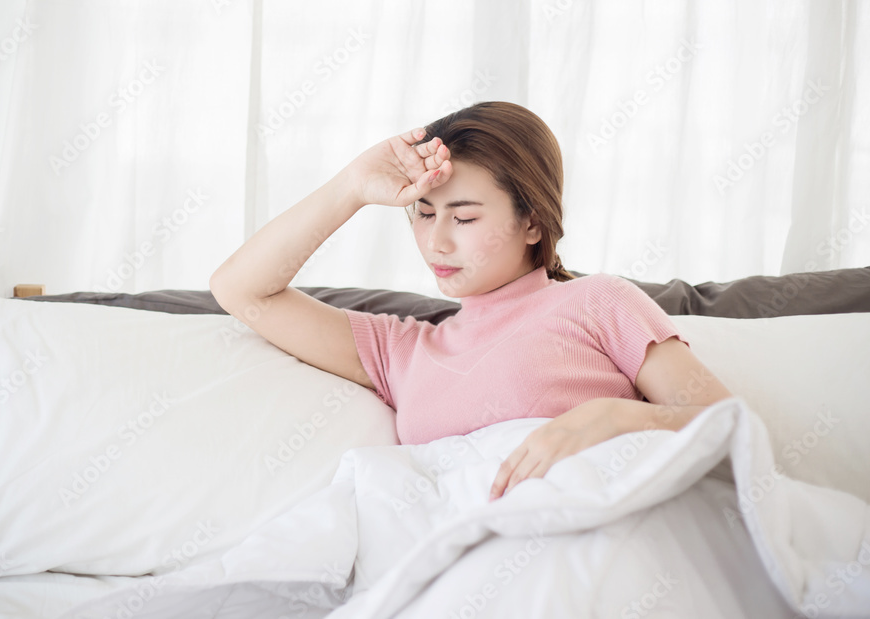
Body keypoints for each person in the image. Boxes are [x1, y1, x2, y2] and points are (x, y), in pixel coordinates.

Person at [209, 101, 732, 502]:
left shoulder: (598, 301)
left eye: (463, 218)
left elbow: (726, 425)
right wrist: (352, 185)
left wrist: (612, 418)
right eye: (422, 212)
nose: (436, 242)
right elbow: (242, 290)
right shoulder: (402, 351)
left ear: (531, 221)